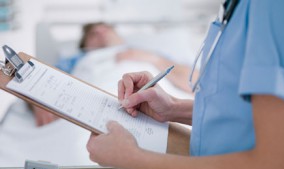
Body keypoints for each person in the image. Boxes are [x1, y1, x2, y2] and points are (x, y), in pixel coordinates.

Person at [86, 0, 284, 169]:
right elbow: (244, 113)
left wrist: (132, 158)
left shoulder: (274, 6)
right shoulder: (241, 6)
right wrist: (174, 108)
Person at [33, 22, 196, 126]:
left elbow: (197, 82)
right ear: (85, 44)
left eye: (105, 29)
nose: (101, 33)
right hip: (89, 109)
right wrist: (36, 100)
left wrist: (152, 59)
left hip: (158, 110)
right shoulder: (77, 59)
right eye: (93, 34)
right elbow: (41, 78)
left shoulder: (148, 53)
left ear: (118, 35)